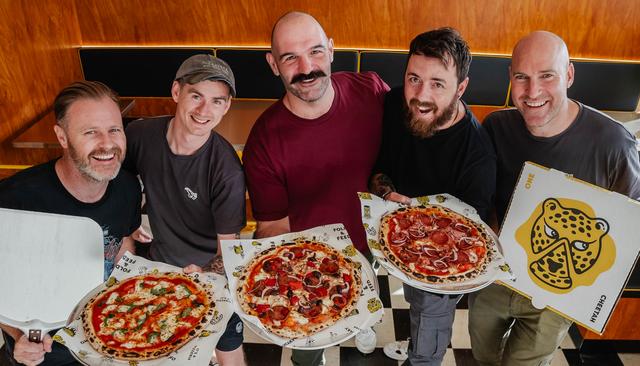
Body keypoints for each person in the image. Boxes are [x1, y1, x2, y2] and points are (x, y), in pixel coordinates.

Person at [468, 31, 640, 366]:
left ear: (569, 74)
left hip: (558, 298)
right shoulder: (496, 126)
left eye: (547, 76)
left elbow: (638, 219)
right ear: (510, 76)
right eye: (522, 77)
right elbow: (481, 197)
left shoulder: (613, 142)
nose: (533, 91)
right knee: (482, 357)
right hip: (495, 277)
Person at [242, 11, 389, 366]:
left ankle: (360, 325)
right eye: (290, 57)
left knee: (365, 303)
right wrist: (305, 289)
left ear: (332, 49)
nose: (306, 68)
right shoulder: (263, 142)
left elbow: (403, 147)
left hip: (370, 243)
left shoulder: (371, 89)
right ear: (273, 64)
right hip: (308, 262)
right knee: (307, 354)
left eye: (315, 52)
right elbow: (274, 227)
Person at [370, 28, 496, 366]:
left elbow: (472, 238)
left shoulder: (477, 153)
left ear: (461, 87)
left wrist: (427, 243)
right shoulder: (395, 104)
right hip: (397, 237)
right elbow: (379, 165)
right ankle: (413, 338)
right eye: (414, 78)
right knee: (412, 300)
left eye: (438, 84)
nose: (421, 95)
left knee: (428, 328)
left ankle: (421, 354)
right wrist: (386, 191)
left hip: (444, 263)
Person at [0, 81, 142, 366]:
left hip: (107, 338)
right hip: (45, 348)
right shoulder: (14, 199)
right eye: (90, 132)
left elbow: (123, 241)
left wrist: (130, 293)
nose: (107, 144)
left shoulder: (127, 187)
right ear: (62, 137)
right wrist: (17, 336)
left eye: (114, 130)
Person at [123, 54, 247, 365]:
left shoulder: (226, 170)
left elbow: (228, 251)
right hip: (156, 267)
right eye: (196, 96)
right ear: (176, 92)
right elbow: (115, 183)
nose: (205, 111)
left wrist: (204, 274)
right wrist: (127, 219)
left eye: (217, 101)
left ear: (227, 106)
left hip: (210, 277)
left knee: (229, 355)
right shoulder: (140, 134)